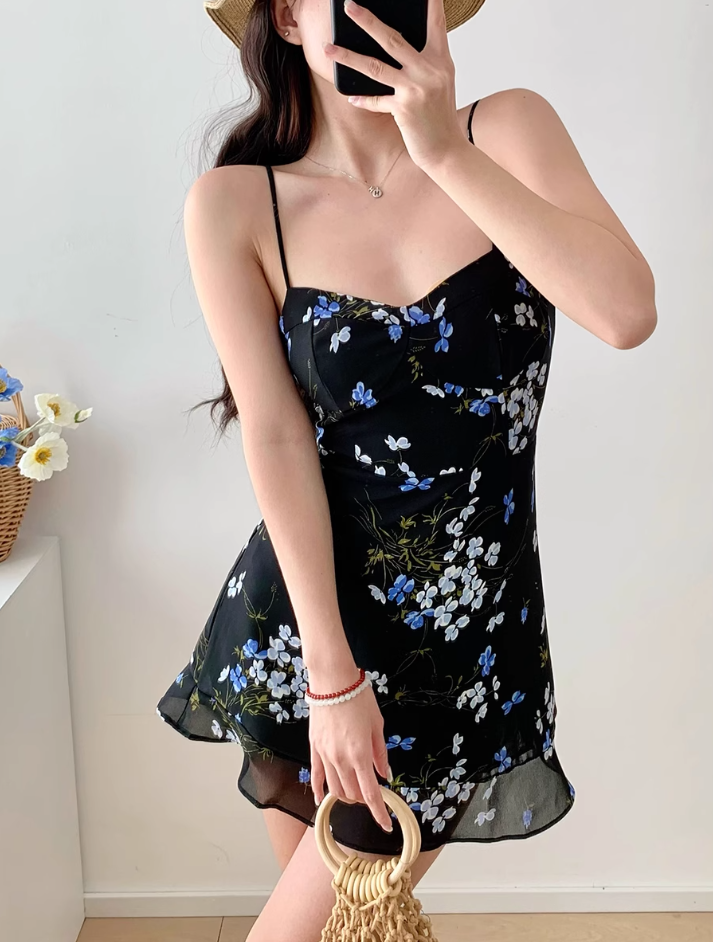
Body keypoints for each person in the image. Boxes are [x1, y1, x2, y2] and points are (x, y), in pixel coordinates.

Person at [156, 0, 657, 936]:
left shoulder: (506, 130)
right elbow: (274, 434)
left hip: (466, 638)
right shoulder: (236, 203)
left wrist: (442, 153)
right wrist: (331, 680)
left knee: (341, 924)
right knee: (339, 928)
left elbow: (626, 313)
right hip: (307, 628)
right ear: (287, 20)